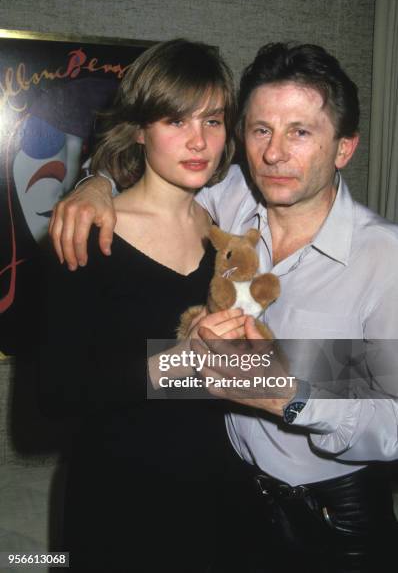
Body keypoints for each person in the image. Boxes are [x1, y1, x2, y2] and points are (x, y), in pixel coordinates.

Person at [48, 42, 398, 572]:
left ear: (344, 148)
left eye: (300, 132)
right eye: (260, 130)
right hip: (226, 502)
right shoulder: (226, 197)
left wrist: (293, 399)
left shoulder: (385, 259)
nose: (274, 154)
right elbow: (151, 154)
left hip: (329, 517)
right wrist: (93, 182)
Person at [39, 38, 255, 572]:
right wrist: (174, 361)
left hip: (221, 502)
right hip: (117, 506)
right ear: (140, 128)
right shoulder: (84, 231)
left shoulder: (230, 243)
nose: (198, 141)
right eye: (175, 121)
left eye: (212, 120)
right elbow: (52, 397)